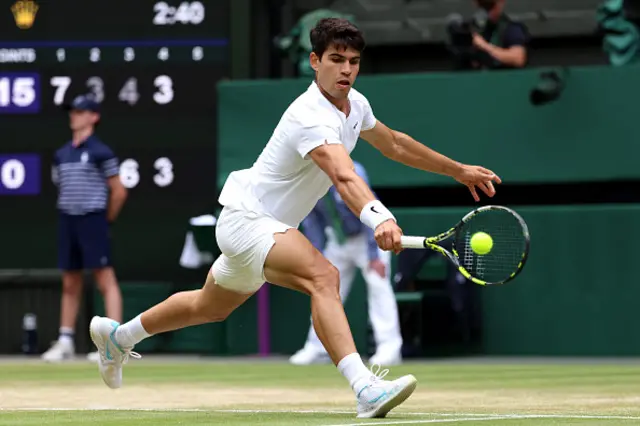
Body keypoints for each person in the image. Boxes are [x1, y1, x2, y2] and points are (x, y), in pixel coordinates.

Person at [89, 18, 501, 419]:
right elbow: (342, 174)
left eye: (353, 61)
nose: (346, 69)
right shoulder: (310, 115)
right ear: (314, 61)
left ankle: (118, 338)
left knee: (208, 306)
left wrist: (457, 170)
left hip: (261, 227)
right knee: (324, 276)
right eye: (336, 59)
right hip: (248, 219)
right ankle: (365, 388)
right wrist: (379, 217)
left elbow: (394, 143)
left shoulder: (355, 105)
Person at [290, 161, 403, 366]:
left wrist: (374, 255)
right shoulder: (308, 180)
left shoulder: (353, 172)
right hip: (338, 240)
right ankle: (317, 348)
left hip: (370, 236)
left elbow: (370, 208)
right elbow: (312, 220)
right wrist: (318, 256)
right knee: (324, 290)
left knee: (379, 288)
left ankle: (389, 348)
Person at [43, 94, 127, 362]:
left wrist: (105, 220)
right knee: (70, 280)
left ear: (94, 117)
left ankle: (115, 342)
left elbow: (118, 191)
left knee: (105, 278)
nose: (74, 116)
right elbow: (61, 186)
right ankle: (65, 340)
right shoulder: (61, 154)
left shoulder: (102, 151)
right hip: (67, 220)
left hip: (93, 219)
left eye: (80, 112)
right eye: (73, 111)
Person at [471, 0, 529, 69]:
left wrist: (484, 46)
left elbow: (518, 58)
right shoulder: (479, 29)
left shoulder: (511, 28)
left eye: (490, 7)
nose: (486, 12)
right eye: (483, 7)